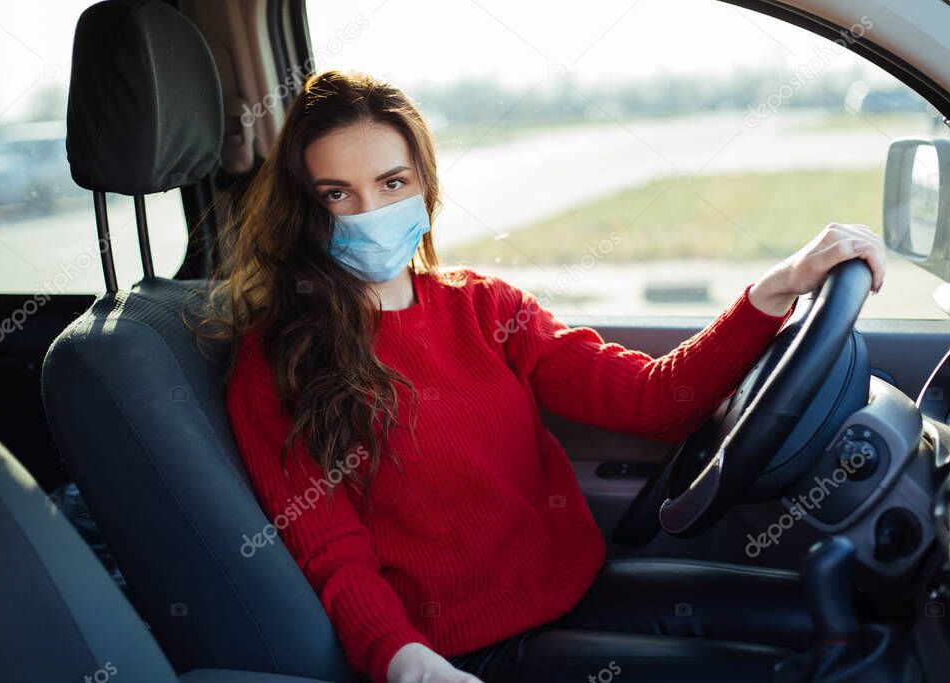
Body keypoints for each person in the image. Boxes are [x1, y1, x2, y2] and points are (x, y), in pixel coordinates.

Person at [196, 69, 887, 683]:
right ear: (305, 210)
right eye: (337, 194)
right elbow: (333, 555)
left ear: (424, 185)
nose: (369, 212)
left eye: (391, 183)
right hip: (464, 653)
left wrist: (777, 288)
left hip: (578, 588)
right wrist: (403, 658)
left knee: (841, 620)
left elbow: (652, 401)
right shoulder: (278, 361)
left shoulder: (484, 307)